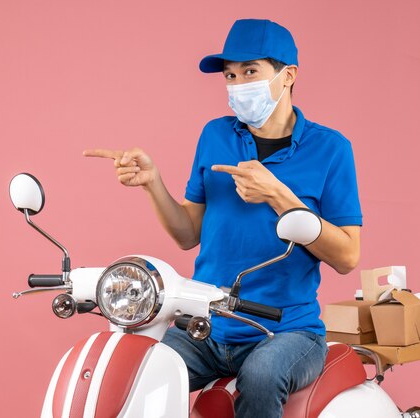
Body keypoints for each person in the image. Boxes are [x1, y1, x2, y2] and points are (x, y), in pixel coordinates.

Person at [84, 18, 362, 418]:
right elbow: (186, 233)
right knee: (138, 368)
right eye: (230, 75)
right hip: (208, 324)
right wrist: (153, 183)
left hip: (286, 330)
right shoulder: (215, 135)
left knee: (263, 376)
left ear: (288, 76)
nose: (237, 84)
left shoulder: (331, 149)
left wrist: (279, 196)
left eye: (250, 71)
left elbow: (347, 256)